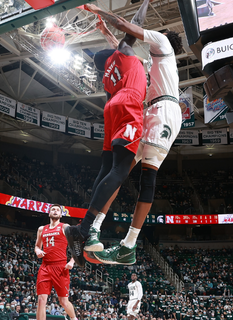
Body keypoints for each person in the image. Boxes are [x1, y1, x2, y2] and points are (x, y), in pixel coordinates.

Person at [82, 0, 184, 265]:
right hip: (150, 110)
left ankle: (127, 242)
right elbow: (123, 50)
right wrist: (106, 34)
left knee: (141, 175)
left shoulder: (162, 42)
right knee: (122, 167)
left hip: (164, 111)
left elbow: (128, 28)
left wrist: (98, 10)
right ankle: (97, 230)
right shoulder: (153, 60)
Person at [64, 0, 150, 268]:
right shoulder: (123, 56)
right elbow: (132, 29)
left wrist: (103, 32)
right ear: (111, 55)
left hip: (111, 109)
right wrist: (146, 2)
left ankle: (86, 229)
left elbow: (117, 43)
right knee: (121, 171)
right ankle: (84, 227)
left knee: (106, 169)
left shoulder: (108, 73)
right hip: (128, 103)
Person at [35, 205, 78, 320]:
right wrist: (38, 250)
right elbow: (37, 246)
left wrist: (72, 261)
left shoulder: (65, 227)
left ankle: (74, 318)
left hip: (60, 267)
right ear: (49, 213)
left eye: (57, 210)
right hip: (45, 267)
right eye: (53, 209)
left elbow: (75, 246)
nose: (55, 211)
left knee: (63, 301)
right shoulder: (41, 229)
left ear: (61, 214)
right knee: (41, 300)